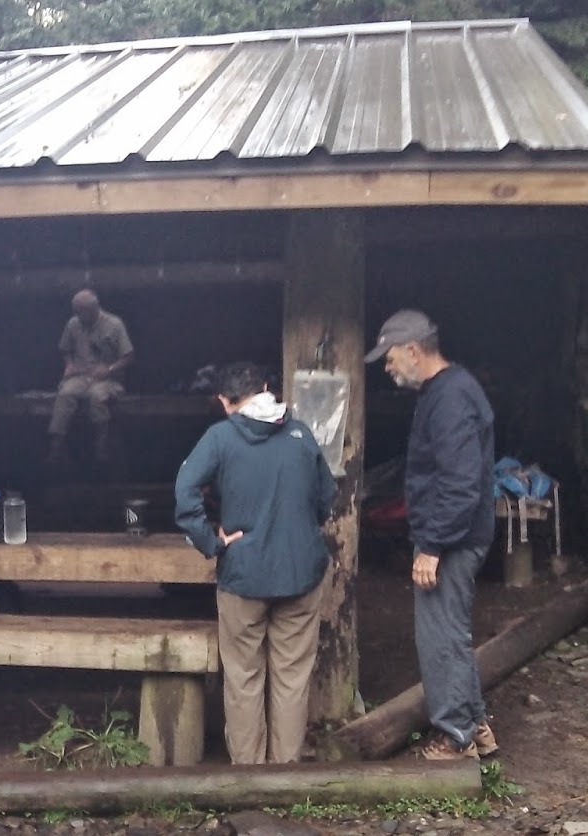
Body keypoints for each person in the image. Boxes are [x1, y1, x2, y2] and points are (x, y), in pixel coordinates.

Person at [173, 362, 337, 764]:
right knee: (292, 677)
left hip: (243, 574)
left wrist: (210, 541)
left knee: (244, 678)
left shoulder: (221, 437)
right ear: (266, 388)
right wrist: (299, 528)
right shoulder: (299, 433)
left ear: (224, 401)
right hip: (301, 572)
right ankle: (286, 773)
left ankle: (248, 774)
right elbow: (326, 497)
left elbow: (184, 490)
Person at [364, 309, 500, 761]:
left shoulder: (451, 398)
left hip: (454, 539)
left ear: (413, 350)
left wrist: (432, 546)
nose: (387, 367)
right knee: (451, 633)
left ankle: (455, 737)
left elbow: (460, 484)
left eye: (389, 358)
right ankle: (475, 726)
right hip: (457, 534)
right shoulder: (446, 392)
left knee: (440, 638)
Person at [47, 289, 134, 464]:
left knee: (96, 397)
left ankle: (101, 446)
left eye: (81, 311)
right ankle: (57, 447)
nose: (78, 315)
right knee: (65, 394)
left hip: (107, 379)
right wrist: (69, 364)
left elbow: (128, 356)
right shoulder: (73, 324)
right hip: (80, 376)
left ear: (92, 309)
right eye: (76, 311)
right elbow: (65, 349)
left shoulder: (114, 324)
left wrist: (109, 369)